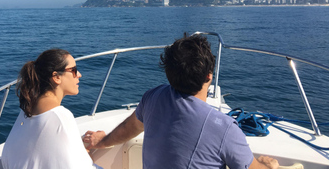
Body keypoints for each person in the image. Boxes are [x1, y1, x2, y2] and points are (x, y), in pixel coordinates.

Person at [83, 34, 279, 169]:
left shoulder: (152, 98)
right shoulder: (225, 128)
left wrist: (103, 141)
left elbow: (130, 127)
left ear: (169, 74)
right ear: (209, 76)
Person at [1, 48, 102, 169]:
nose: (79, 74)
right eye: (74, 70)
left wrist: (79, 146)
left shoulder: (26, 110)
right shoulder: (60, 116)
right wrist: (88, 150)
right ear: (56, 77)